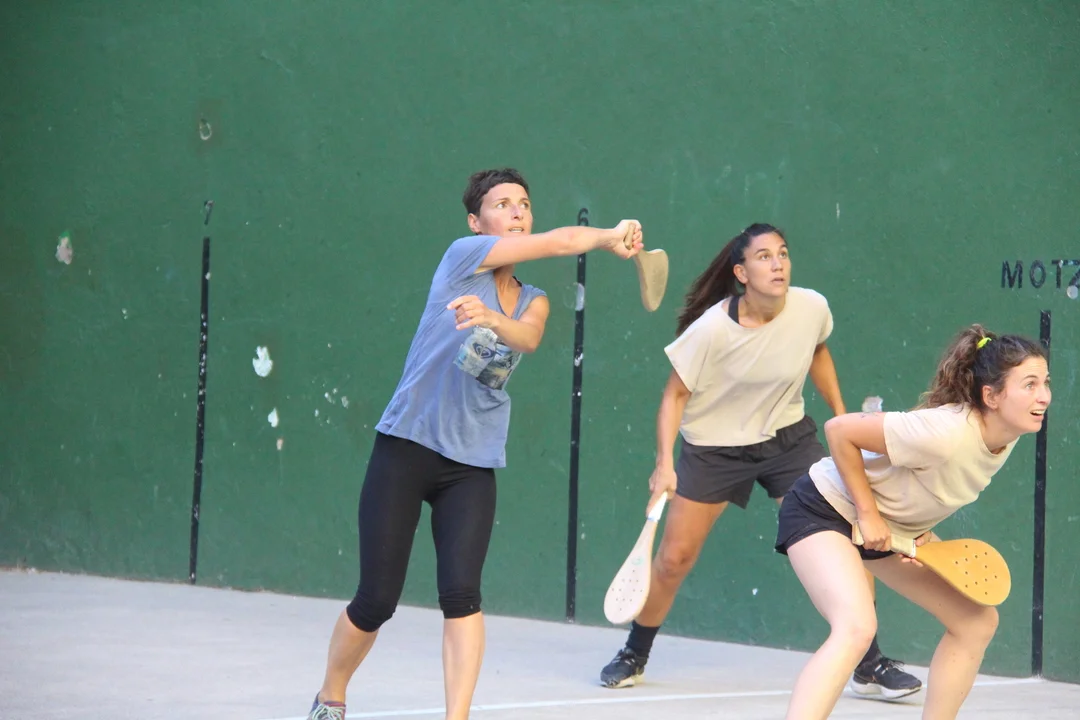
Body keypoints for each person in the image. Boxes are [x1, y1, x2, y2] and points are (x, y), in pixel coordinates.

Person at [306, 167, 645, 720]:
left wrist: (491, 318)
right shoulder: (463, 258)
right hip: (406, 447)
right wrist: (610, 237)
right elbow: (560, 242)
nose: (516, 212)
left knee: (462, 596)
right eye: (502, 204)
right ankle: (331, 695)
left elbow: (528, 337)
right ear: (476, 221)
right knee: (376, 600)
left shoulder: (533, 299)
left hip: (470, 464)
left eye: (523, 203)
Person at [599, 223, 921, 700]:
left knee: (840, 542)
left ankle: (869, 664)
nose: (777, 264)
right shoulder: (711, 329)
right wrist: (664, 462)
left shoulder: (811, 307)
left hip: (788, 440)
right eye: (764, 257)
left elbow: (817, 353)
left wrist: (841, 418)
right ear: (741, 273)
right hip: (713, 449)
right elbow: (674, 396)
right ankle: (634, 652)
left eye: (783, 254)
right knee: (673, 559)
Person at [775, 326, 1050, 719]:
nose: (1043, 396)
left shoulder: (1007, 433)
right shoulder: (945, 431)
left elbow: (931, 482)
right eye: (1030, 384)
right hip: (823, 507)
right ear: (991, 396)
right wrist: (869, 514)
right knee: (856, 627)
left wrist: (917, 531)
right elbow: (839, 431)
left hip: (887, 529)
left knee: (975, 622)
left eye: (1045, 383)